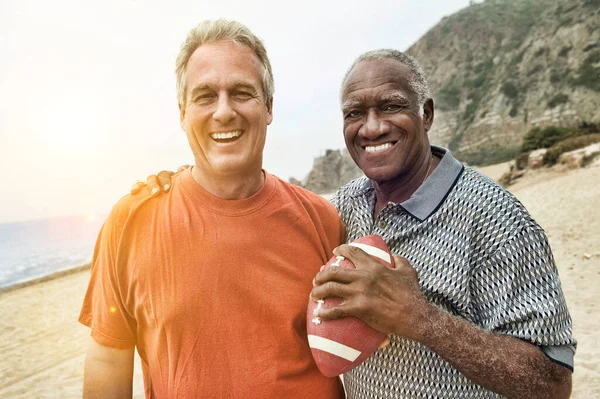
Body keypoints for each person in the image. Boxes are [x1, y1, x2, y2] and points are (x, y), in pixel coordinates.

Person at [140, 49, 576, 398]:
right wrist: (185, 182)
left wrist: (421, 318)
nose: (372, 127)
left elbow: (555, 383)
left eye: (391, 107)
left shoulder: (498, 220)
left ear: (425, 113)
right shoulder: (343, 210)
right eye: (354, 113)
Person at [79, 19, 345, 398]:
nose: (224, 112)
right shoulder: (130, 222)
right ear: (182, 112)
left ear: (268, 107)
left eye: (241, 92)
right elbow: (108, 357)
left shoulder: (323, 220)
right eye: (205, 96)